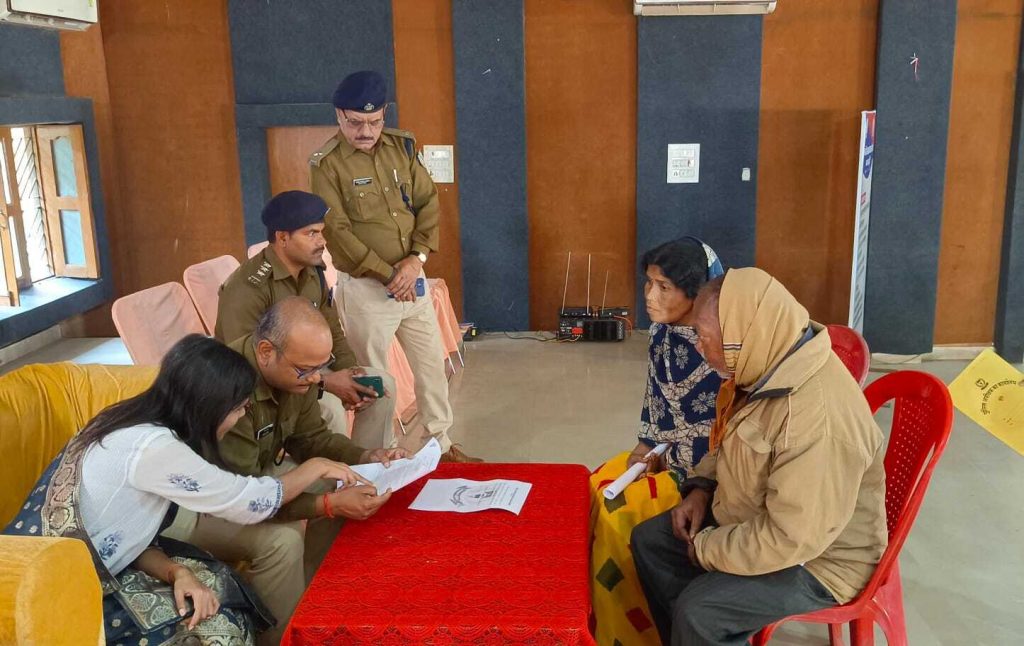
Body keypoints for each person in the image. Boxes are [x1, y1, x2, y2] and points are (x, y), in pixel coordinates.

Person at [3, 335, 363, 645]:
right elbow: (247, 501)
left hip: (93, 565)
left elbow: (127, 536)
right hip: (51, 591)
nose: (241, 417)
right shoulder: (155, 448)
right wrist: (315, 467)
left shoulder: (130, 417)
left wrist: (177, 573)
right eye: (239, 408)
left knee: (211, 588)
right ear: (209, 406)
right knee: (217, 628)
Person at [630, 268, 888, 646]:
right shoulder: (768, 359)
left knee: (701, 612)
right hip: (757, 515)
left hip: (819, 561)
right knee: (651, 541)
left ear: (740, 338)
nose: (698, 348)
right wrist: (701, 487)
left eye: (703, 337)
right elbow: (732, 441)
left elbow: (791, 538)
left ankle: (698, 631)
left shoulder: (817, 421)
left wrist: (707, 548)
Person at [172, 297, 408, 645]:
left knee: (337, 478)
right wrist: (327, 505)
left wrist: (367, 455)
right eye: (305, 370)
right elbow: (244, 499)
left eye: (320, 367)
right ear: (266, 351)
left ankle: (314, 597)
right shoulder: (229, 388)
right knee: (282, 542)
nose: (315, 378)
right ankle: (282, 637)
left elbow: (312, 439)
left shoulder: (295, 373)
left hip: (249, 478)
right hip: (198, 505)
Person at [309, 69, 479, 463]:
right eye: (356, 122)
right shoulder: (327, 164)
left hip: (412, 280)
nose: (366, 131)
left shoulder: (402, 147)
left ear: (384, 113)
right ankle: (381, 458)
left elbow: (428, 202)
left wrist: (416, 259)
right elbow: (337, 230)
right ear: (339, 116)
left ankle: (442, 447)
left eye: (374, 121)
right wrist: (389, 274)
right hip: (367, 291)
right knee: (376, 381)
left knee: (431, 367)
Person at [590, 237, 724, 645]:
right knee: (596, 486)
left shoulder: (725, 342)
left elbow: (731, 432)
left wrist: (694, 476)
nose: (649, 296)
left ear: (697, 291)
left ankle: (643, 633)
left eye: (664, 287)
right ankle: (609, 627)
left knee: (616, 513)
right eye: (649, 283)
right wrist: (645, 445)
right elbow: (657, 398)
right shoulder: (662, 334)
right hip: (667, 455)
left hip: (710, 477)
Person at [216, 190, 398, 449]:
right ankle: (328, 472)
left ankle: (366, 464)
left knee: (380, 386)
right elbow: (245, 363)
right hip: (267, 385)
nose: (322, 241)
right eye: (311, 233)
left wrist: (350, 371)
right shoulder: (248, 288)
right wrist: (327, 382)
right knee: (331, 408)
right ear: (282, 238)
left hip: (310, 367)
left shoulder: (313, 273)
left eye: (321, 232)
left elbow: (331, 327)